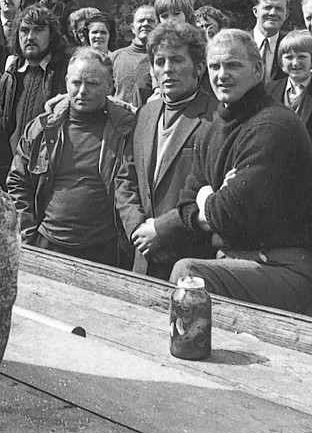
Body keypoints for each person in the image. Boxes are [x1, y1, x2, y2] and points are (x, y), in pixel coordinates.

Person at [170, 30, 312, 313]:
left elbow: (227, 213)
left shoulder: (274, 127)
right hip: (235, 261)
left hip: (282, 268)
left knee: (189, 275)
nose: (222, 75)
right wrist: (212, 200)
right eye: (214, 66)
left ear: (258, 70)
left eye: (233, 65)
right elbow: (185, 206)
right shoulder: (212, 128)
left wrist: (205, 198)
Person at [6, 48, 139, 267]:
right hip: (47, 244)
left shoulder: (126, 131)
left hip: (105, 250)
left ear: (110, 85)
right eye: (76, 83)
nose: (82, 91)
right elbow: (18, 183)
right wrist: (28, 236)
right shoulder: (42, 128)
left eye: (93, 84)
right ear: (67, 82)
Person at [118, 22, 217, 279]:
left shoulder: (216, 117)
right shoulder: (145, 113)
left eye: (177, 60)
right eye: (160, 61)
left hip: (189, 257)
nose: (167, 69)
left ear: (199, 67)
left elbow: (213, 193)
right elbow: (125, 178)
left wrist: (162, 230)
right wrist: (137, 228)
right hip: (142, 254)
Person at [0, 3, 73, 154]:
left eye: (38, 30)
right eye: (24, 31)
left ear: (51, 34)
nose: (30, 37)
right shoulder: (10, 77)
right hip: (15, 166)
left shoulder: (67, 71)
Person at [266, 28, 312, 138]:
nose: (295, 63)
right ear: (281, 62)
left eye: (302, 56)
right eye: (289, 57)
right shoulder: (269, 90)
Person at [111, 5, 156, 103]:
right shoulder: (115, 57)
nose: (145, 24)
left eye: (151, 20)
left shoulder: (162, 59)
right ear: (132, 27)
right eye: (141, 20)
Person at [251, 0, 291, 82]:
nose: (273, 13)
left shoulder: (290, 46)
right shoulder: (240, 42)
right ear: (256, 11)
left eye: (279, 9)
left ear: (286, 15)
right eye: (268, 7)